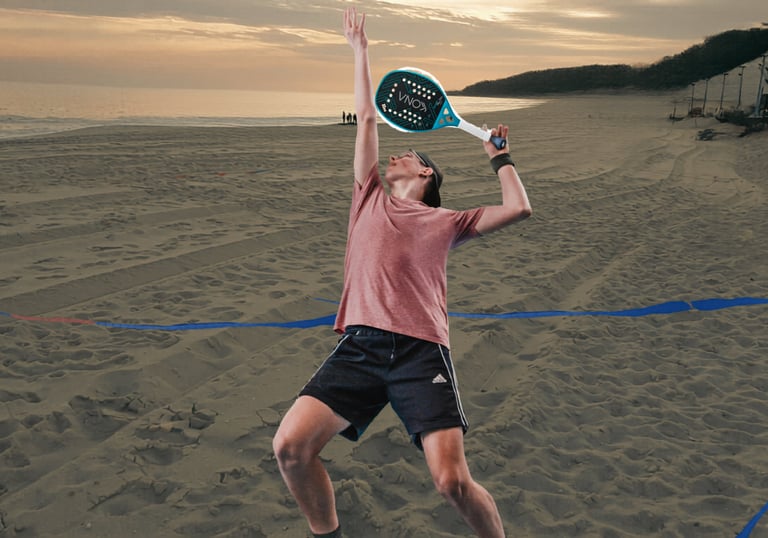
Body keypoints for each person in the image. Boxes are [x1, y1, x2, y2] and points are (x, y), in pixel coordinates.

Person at [273, 7, 531, 538]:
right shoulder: (367, 197)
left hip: (420, 351)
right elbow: (366, 118)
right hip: (362, 347)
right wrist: (360, 52)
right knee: (291, 449)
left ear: (426, 173)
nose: (393, 155)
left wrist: (498, 157)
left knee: (452, 483)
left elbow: (518, 208)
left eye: (407, 153)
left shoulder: (447, 220)